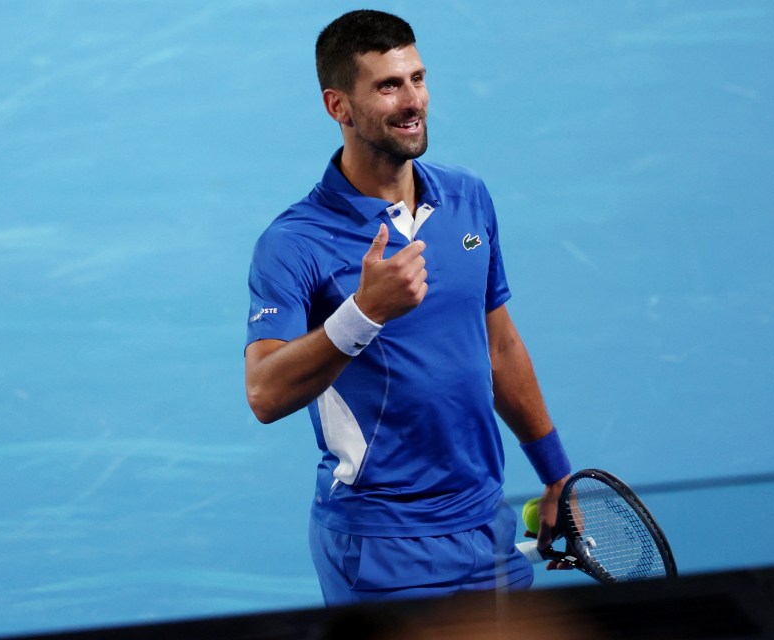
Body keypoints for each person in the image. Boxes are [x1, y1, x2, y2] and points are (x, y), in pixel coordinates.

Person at [244, 9, 572, 605]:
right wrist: (363, 312)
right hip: (381, 546)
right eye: (388, 86)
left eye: (417, 78)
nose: (412, 100)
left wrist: (555, 470)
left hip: (485, 526)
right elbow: (264, 393)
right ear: (337, 107)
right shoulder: (294, 243)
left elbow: (498, 344)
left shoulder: (468, 196)